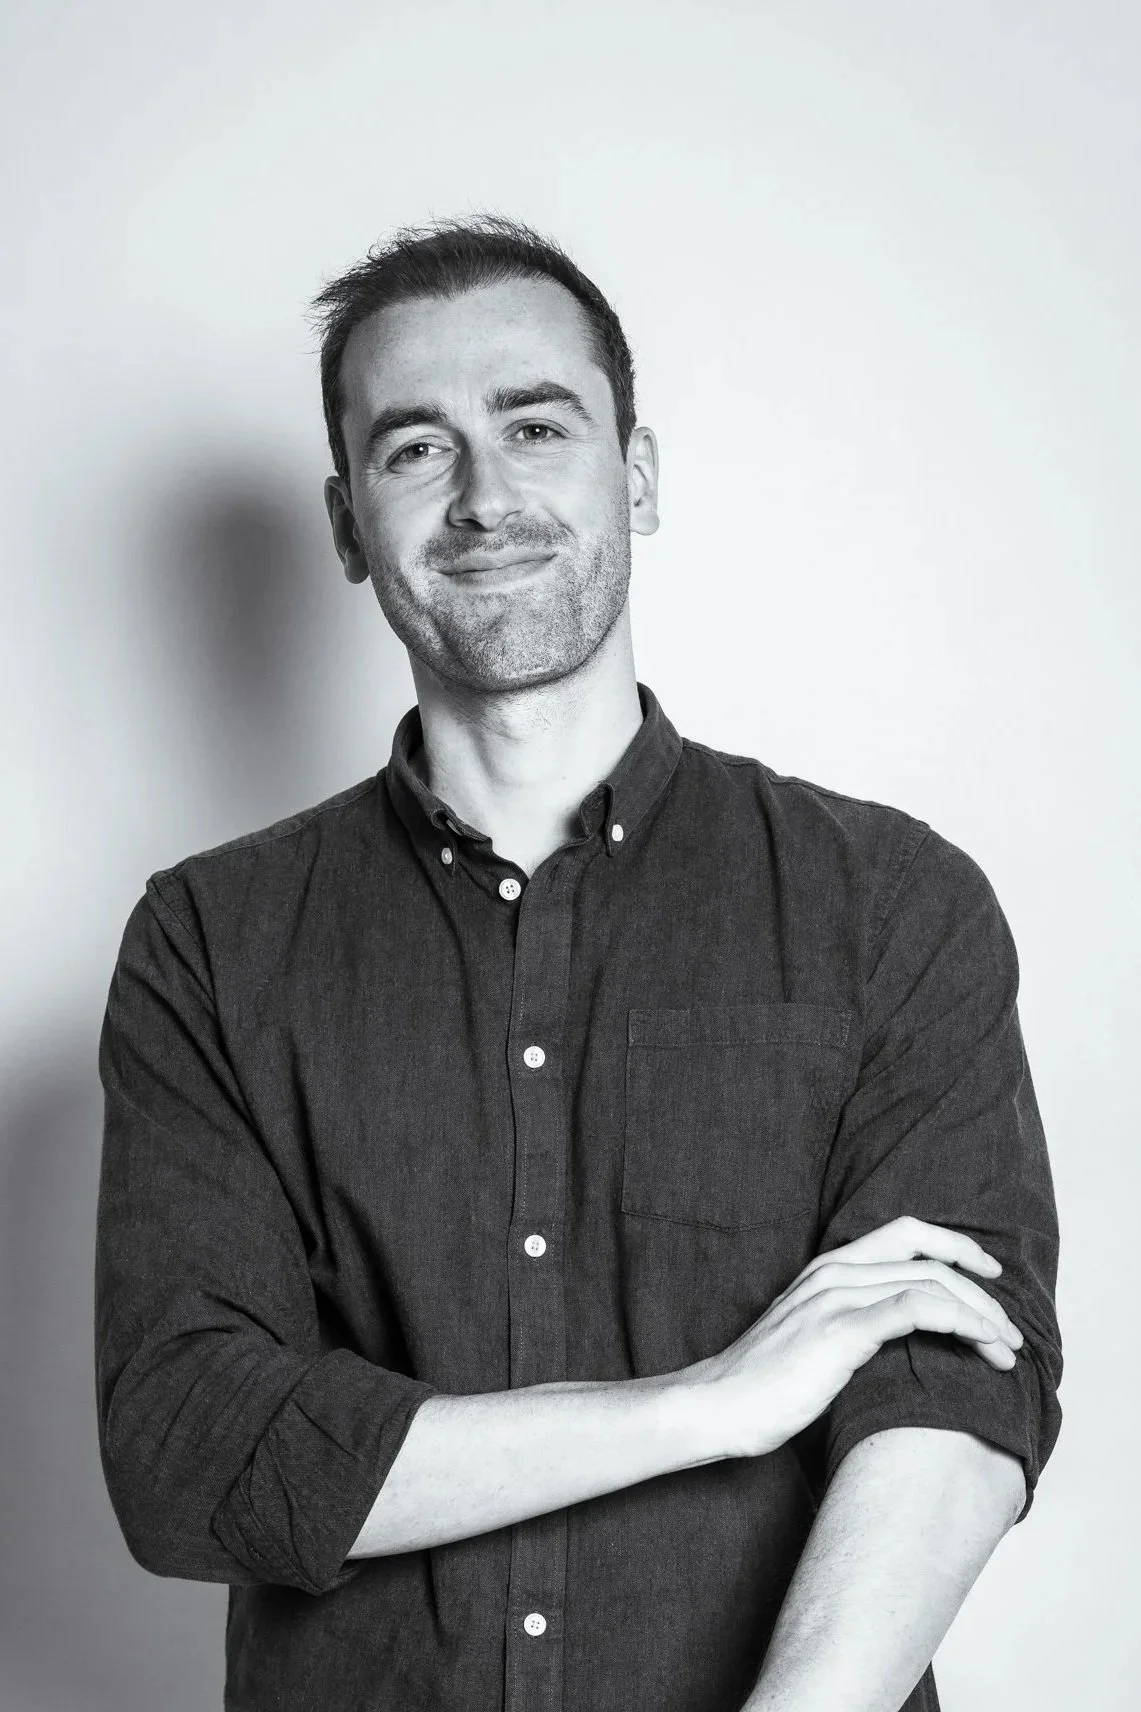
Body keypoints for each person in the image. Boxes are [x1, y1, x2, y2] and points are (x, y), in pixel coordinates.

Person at [95, 216, 1062, 1712]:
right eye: (417, 449)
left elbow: (953, 1387)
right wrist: (711, 1405)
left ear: (639, 474)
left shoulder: (890, 905)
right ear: (351, 526)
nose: (486, 496)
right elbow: (192, 1455)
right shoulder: (208, 944)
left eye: (536, 425)